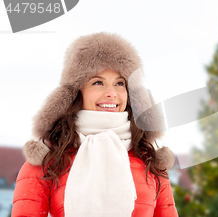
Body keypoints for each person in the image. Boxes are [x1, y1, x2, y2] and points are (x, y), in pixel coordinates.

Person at [11, 32, 178, 217]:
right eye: (98, 82)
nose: (112, 93)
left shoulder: (150, 161)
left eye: (120, 83)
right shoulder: (48, 159)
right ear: (76, 93)